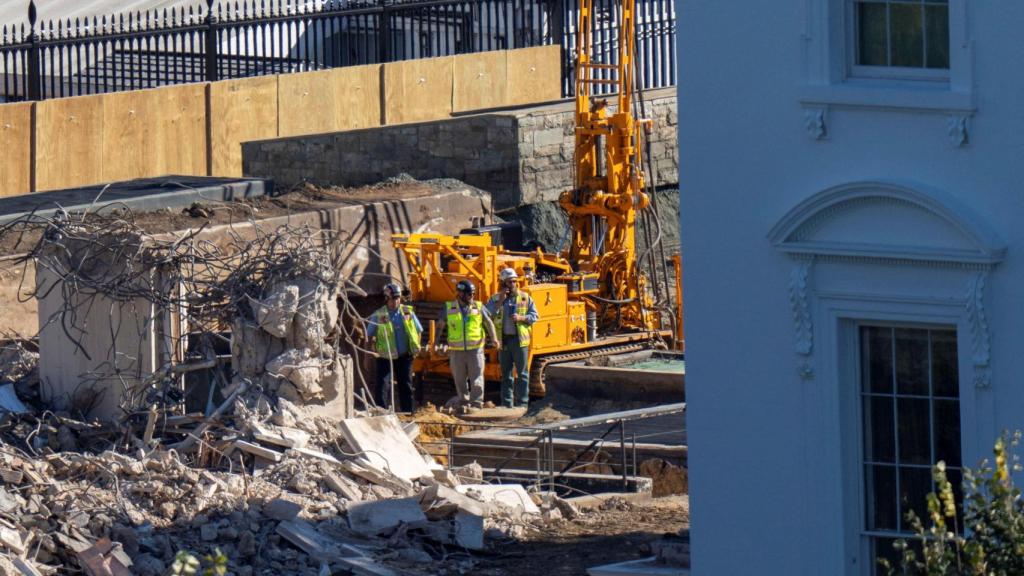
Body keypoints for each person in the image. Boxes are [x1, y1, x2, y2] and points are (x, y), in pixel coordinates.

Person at [436, 280, 498, 412]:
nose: (472, 297)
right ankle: (463, 401)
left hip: (475, 350)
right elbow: (440, 325)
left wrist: (494, 339)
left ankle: (476, 403)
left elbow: (489, 323)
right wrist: (436, 341)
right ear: (460, 294)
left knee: (477, 378)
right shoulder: (449, 307)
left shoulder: (478, 306)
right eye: (469, 294)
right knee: (459, 378)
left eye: (473, 294)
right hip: (456, 351)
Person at [486, 268, 539, 408]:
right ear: (503, 283)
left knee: (522, 374)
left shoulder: (525, 298)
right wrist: (500, 301)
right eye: (510, 282)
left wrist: (521, 318)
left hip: (519, 341)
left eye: (515, 281)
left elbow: (535, 316)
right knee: (506, 375)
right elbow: (487, 315)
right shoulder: (495, 299)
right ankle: (507, 404)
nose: (513, 284)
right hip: (503, 341)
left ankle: (522, 404)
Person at [366, 282, 423, 413]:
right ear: (386, 299)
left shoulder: (407, 312)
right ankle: (381, 414)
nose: (396, 302)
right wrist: (367, 356)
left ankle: (407, 413)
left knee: (406, 386)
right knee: (383, 386)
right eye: (393, 299)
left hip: (404, 357)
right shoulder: (379, 315)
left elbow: (418, 330)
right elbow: (368, 336)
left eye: (398, 298)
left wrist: (415, 347)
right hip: (385, 358)